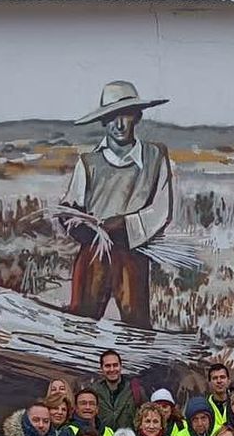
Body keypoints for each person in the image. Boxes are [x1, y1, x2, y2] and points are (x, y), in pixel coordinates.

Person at [61, 81, 173, 328]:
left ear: (137, 116)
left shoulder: (155, 158)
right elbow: (70, 207)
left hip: (132, 254)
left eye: (125, 115)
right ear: (103, 121)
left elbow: (160, 210)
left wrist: (124, 225)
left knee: (137, 327)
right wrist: (77, 224)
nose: (119, 124)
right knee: (81, 325)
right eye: (112, 117)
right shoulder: (88, 163)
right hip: (93, 254)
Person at [87, 349, 145, 434]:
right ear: (101, 368)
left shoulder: (136, 390)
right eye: (107, 366)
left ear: (121, 366)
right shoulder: (93, 392)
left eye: (115, 365)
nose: (112, 369)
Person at [204, 364, 234, 428]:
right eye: (215, 378)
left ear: (229, 381)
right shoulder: (204, 407)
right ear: (209, 383)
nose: (219, 381)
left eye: (222, 377)